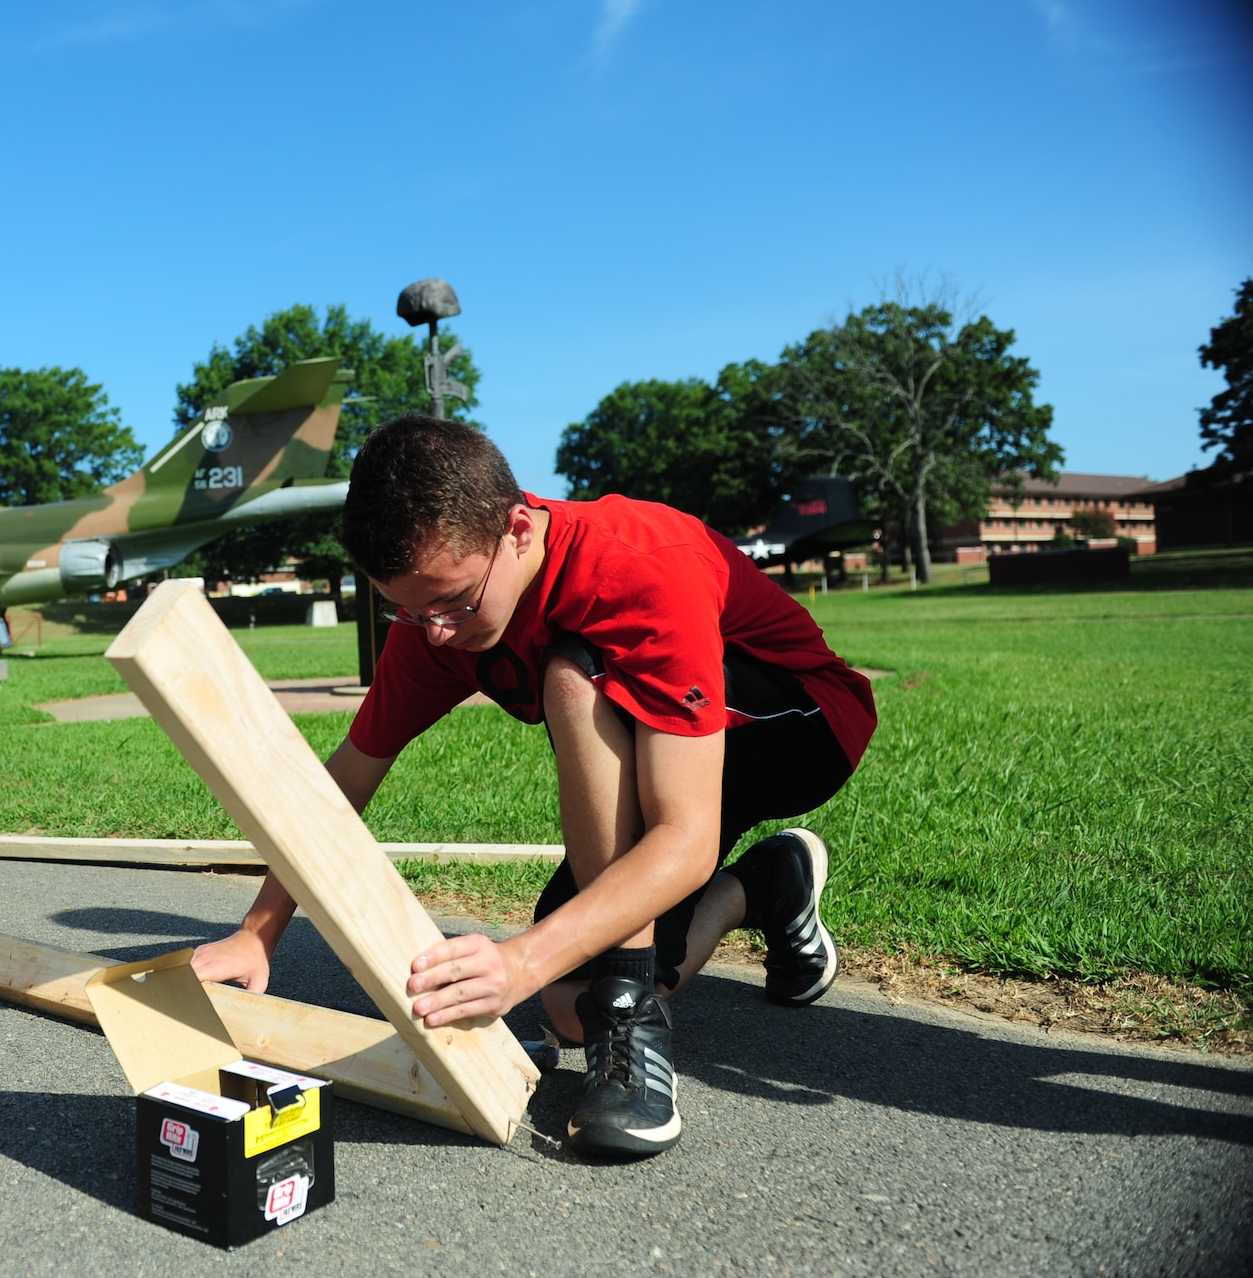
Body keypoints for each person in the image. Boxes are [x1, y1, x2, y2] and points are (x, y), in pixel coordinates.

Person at [193, 415, 876, 1157]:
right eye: (409, 609)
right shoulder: (436, 620)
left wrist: (518, 959)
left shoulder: (638, 566)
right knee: (563, 1003)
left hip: (801, 723)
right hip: (670, 748)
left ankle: (630, 1019)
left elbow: (684, 837)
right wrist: (256, 933)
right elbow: (345, 782)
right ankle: (769, 884)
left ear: (518, 527)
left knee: (573, 670)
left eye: (453, 602)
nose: (436, 633)